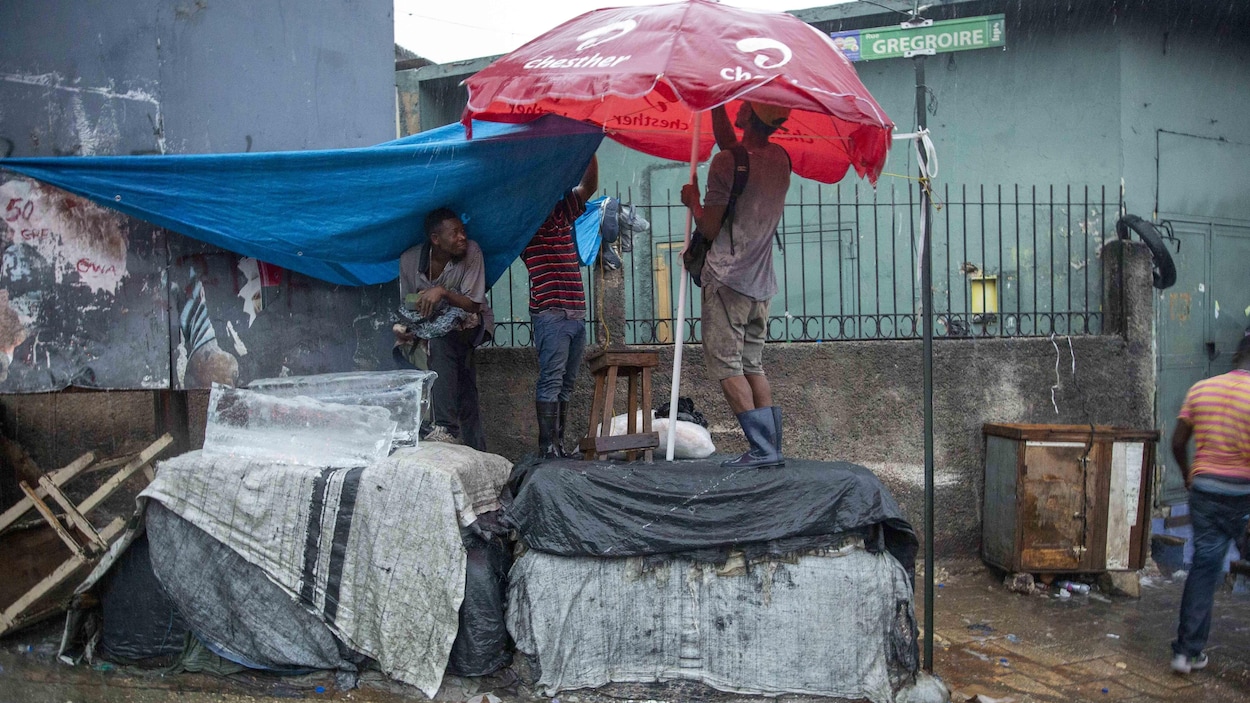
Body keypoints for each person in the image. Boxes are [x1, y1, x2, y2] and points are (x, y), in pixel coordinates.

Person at [680, 102, 791, 469]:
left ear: (749, 116)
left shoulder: (725, 164)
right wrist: (713, 104)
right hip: (761, 285)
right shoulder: (780, 160)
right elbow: (738, 153)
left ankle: (760, 449)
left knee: (728, 367)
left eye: (741, 104)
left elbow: (709, 228)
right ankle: (771, 450)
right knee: (753, 365)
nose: (737, 105)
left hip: (727, 281)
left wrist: (694, 202)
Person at [1169, 333, 1250, 674]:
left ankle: (1186, 654)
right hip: (1243, 495)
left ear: (1237, 356)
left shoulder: (1201, 388)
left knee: (1203, 569)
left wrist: (1190, 475)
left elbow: (1177, 442)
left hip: (1204, 491)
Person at [395, 207, 494, 450]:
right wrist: (405, 327)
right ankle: (473, 444)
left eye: (463, 231)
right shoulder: (409, 260)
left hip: (470, 322)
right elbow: (406, 303)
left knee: (442, 344)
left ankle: (446, 428)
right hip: (428, 327)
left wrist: (442, 293)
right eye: (455, 233)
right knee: (459, 378)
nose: (462, 237)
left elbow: (473, 303)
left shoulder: (472, 252)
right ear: (435, 239)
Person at [521, 156, 598, 458]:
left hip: (575, 314)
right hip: (551, 314)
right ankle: (547, 448)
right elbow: (587, 187)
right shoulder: (528, 222)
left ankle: (558, 445)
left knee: (566, 384)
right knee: (552, 381)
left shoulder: (561, 212)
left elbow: (589, 185)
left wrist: (588, 148)